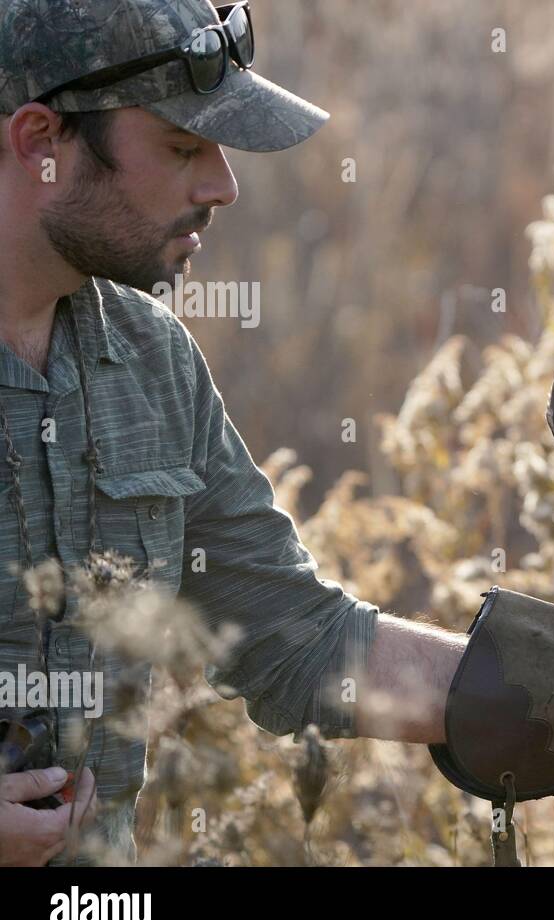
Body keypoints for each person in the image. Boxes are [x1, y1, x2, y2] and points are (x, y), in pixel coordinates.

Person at [0, 0, 488, 866]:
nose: (221, 185)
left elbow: (300, 640)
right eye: (183, 147)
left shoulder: (149, 361)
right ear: (42, 142)